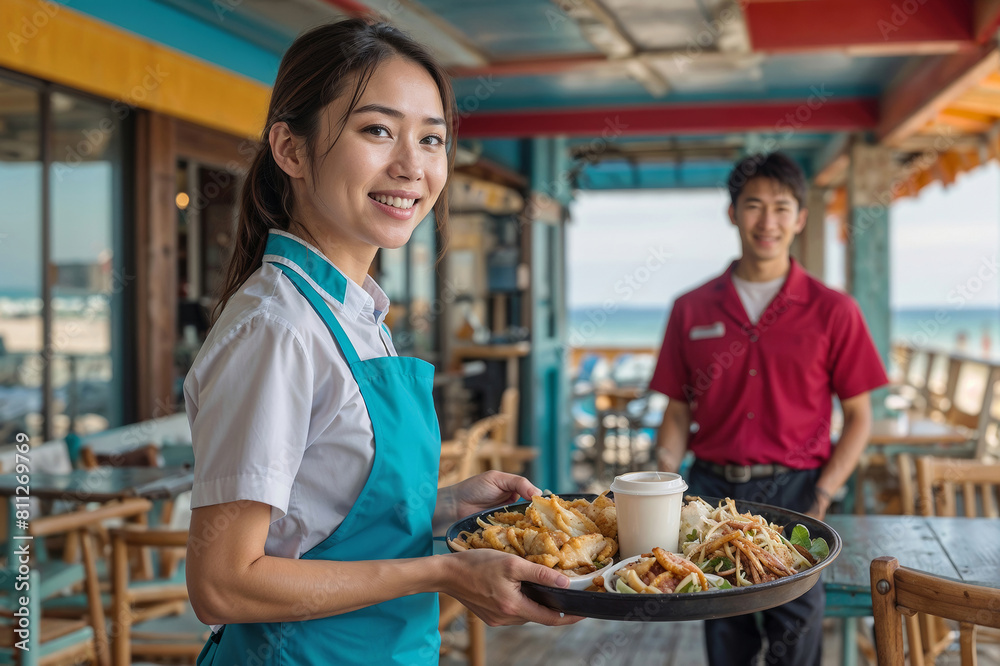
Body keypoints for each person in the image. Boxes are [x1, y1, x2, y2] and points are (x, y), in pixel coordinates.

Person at [184, 19, 580, 666]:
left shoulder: (357, 313)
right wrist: (443, 573)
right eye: (377, 130)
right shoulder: (277, 327)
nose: (411, 166)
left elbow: (315, 522)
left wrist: (444, 508)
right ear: (291, 150)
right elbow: (224, 583)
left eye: (431, 139)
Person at [650, 152, 888, 666]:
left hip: (797, 492)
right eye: (753, 206)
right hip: (710, 495)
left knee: (797, 629)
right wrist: (664, 480)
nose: (768, 221)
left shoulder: (834, 310)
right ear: (732, 213)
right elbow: (675, 412)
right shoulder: (690, 308)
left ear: (801, 218)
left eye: (782, 208)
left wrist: (823, 496)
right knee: (722, 627)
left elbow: (861, 416)